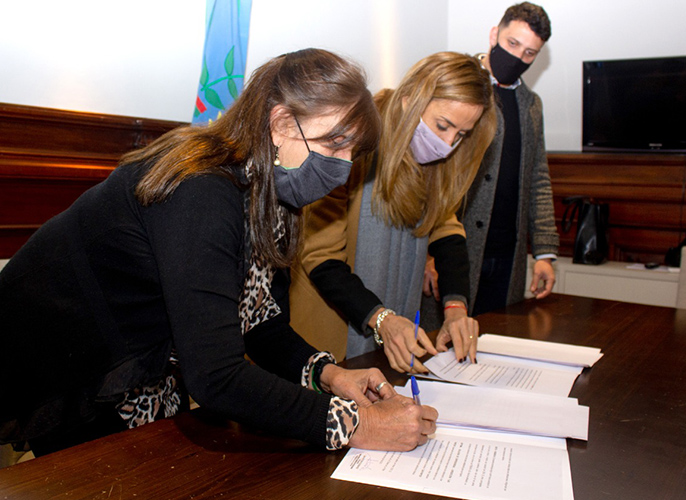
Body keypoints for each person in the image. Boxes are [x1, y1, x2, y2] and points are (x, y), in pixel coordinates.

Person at [0, 49, 438, 457]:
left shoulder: (273, 193)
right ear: (282, 123)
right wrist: (357, 425)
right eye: (335, 143)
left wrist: (330, 375)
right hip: (69, 366)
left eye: (352, 152)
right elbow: (216, 376)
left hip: (140, 366)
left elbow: (260, 323)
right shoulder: (202, 190)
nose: (342, 169)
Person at [290, 52, 497, 374]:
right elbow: (321, 256)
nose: (448, 144)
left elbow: (446, 229)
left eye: (461, 135)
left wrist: (456, 307)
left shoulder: (435, 165)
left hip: (392, 330)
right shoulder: (350, 144)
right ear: (408, 100)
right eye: (442, 125)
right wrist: (381, 318)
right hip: (330, 333)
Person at [426, 2, 559, 319]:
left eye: (529, 53)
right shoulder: (456, 85)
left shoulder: (532, 105)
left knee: (496, 338)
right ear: (494, 34)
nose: (518, 57)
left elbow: (538, 178)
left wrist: (544, 252)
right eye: (513, 44)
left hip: (507, 254)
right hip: (455, 250)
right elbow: (430, 172)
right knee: (442, 343)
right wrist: (428, 254)